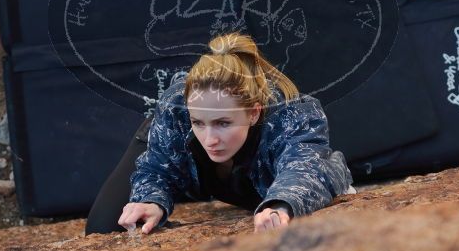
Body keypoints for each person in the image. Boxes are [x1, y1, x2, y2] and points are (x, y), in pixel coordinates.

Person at [84, 32, 355, 236]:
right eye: (198, 123)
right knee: (105, 225)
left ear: (253, 113)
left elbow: (302, 169)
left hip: (260, 175)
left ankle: (330, 172)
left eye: (223, 123)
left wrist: (282, 205)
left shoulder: (292, 113)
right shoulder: (176, 107)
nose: (210, 139)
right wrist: (150, 200)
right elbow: (156, 166)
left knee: (282, 203)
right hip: (190, 162)